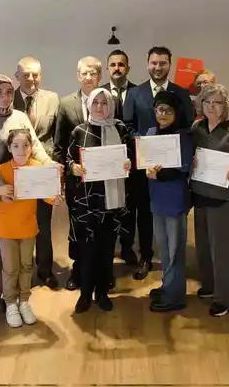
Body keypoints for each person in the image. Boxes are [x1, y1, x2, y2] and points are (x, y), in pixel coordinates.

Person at [0, 74, 54, 319]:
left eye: (9, 92)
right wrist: (0, 185)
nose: (5, 96)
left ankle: (17, 298)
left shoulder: (19, 117)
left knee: (16, 246)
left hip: (21, 189)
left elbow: (34, 145)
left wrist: (49, 166)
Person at [123, 46, 193, 280]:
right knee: (145, 212)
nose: (158, 67)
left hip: (173, 168)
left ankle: (172, 268)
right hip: (146, 165)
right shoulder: (135, 93)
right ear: (147, 63)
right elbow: (128, 126)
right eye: (154, 62)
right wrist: (146, 146)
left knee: (171, 219)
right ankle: (145, 256)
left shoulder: (181, 93)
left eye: (163, 63)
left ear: (169, 64)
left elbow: (188, 124)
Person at [67, 88, 134, 313]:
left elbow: (132, 156)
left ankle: (103, 292)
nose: (99, 107)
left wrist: (128, 163)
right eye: (95, 102)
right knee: (86, 250)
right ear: (88, 105)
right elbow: (68, 159)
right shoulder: (79, 131)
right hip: (86, 201)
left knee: (107, 250)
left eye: (104, 103)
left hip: (112, 201)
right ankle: (85, 294)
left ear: (111, 106)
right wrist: (74, 168)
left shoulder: (120, 129)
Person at [0, 129, 61, 328]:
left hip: (28, 227)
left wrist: (54, 198)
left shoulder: (37, 168)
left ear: (31, 148)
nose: (21, 150)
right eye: (16, 146)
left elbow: (45, 193)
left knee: (27, 266)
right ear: (9, 148)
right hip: (6, 230)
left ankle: (24, 301)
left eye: (26, 145)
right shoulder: (1, 170)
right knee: (11, 268)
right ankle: (10, 302)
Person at [190, 83, 229, 317]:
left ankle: (226, 299)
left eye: (217, 102)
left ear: (226, 106)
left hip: (226, 199)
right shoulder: (197, 128)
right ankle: (210, 286)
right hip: (201, 195)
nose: (212, 106)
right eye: (207, 102)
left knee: (224, 252)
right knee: (204, 248)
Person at [54, 56, 103, 290]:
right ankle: (78, 268)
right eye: (85, 73)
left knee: (102, 224)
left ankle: (102, 271)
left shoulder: (109, 101)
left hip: (102, 180)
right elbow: (59, 144)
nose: (89, 77)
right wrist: (64, 174)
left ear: (99, 77)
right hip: (77, 179)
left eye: (93, 73)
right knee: (77, 225)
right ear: (78, 75)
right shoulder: (65, 104)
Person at [13, 57, 60, 290]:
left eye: (35, 74)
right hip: (18, 170)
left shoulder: (52, 99)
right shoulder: (7, 98)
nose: (31, 79)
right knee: (18, 222)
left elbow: (57, 136)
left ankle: (45, 270)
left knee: (43, 223)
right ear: (17, 76)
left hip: (43, 169)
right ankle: (19, 270)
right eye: (25, 74)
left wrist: (54, 167)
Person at [144, 90, 193, 313]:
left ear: (177, 112)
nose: (162, 114)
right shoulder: (151, 132)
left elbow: (184, 168)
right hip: (157, 197)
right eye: (159, 109)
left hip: (174, 199)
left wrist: (159, 174)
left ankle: (175, 296)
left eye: (168, 110)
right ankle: (167, 285)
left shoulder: (183, 136)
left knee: (175, 251)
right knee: (163, 248)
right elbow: (144, 160)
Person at [102, 49, 136, 122]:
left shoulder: (138, 92)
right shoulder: (100, 93)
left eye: (121, 65)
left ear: (128, 69)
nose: (116, 68)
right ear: (107, 69)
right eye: (113, 65)